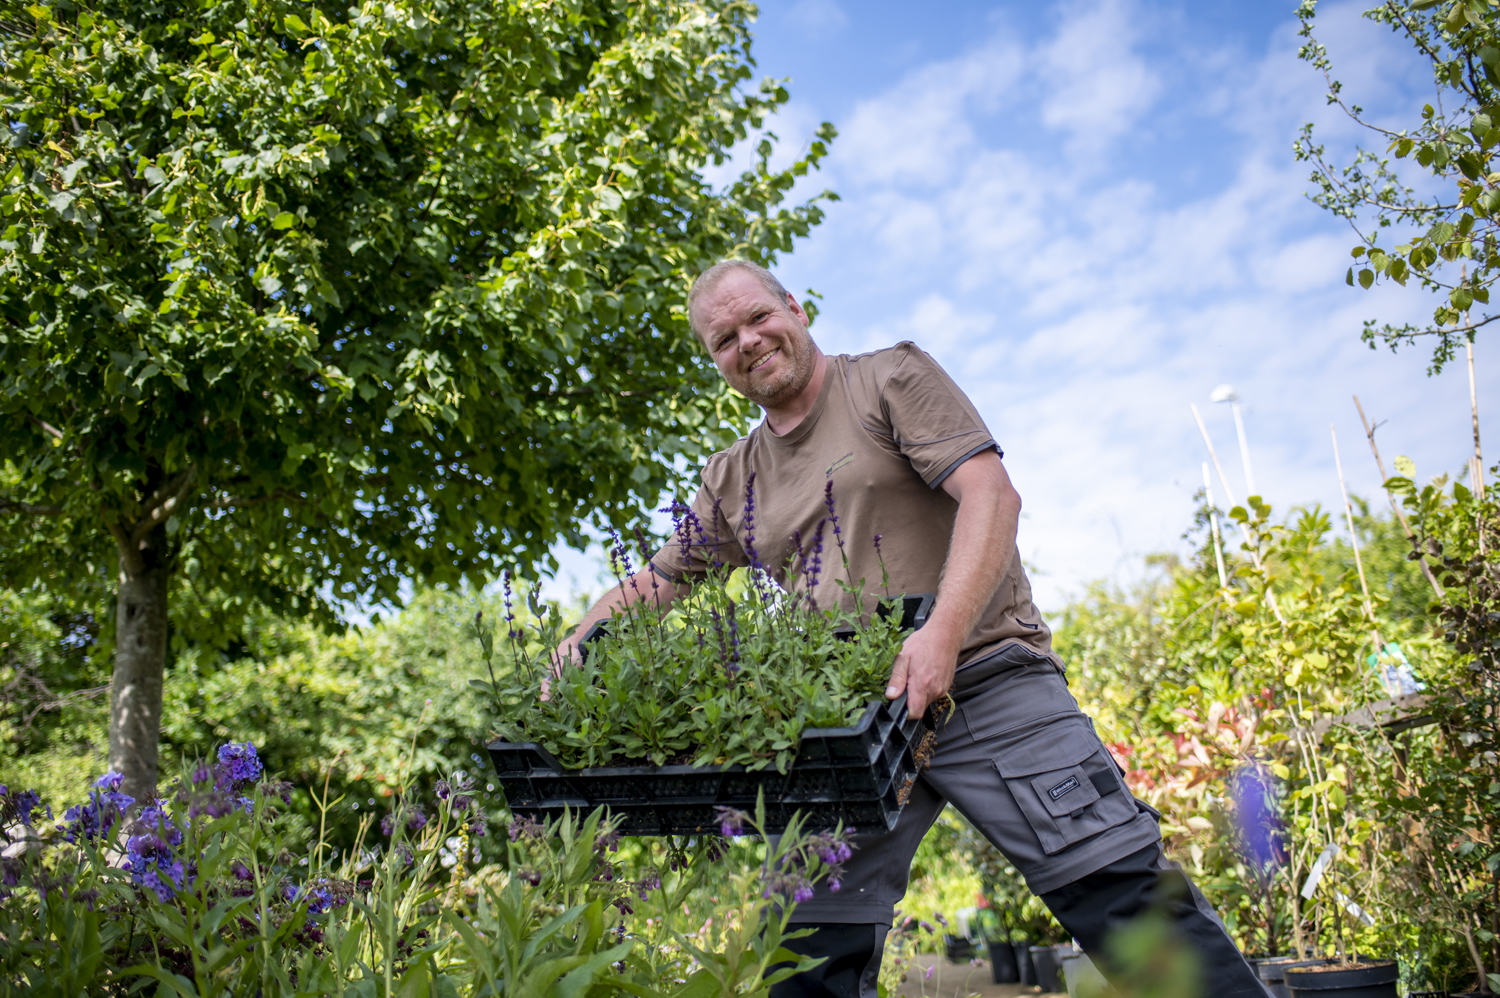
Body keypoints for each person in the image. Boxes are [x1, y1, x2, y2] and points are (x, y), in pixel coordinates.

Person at [555, 259, 1267, 998]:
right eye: (724, 339)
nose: (749, 342)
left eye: (758, 317)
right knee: (807, 952)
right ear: (715, 361)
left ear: (795, 308)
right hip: (849, 724)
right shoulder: (733, 477)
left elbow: (991, 494)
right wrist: (577, 644)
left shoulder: (888, 379)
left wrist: (941, 636)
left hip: (985, 681)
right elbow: (661, 579)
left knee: (1122, 898)